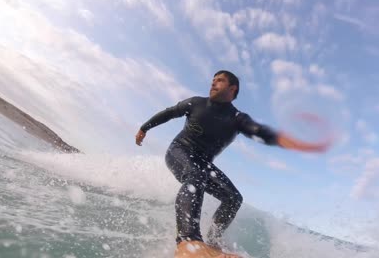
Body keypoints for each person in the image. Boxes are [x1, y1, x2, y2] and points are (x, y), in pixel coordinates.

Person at [135, 70, 331, 257]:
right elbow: (169, 113)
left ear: (232, 89)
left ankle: (212, 241)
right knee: (195, 175)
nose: (213, 82)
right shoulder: (196, 103)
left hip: (203, 163)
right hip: (179, 152)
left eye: (219, 80)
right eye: (213, 79)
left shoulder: (237, 119)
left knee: (233, 198)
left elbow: (258, 130)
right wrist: (144, 128)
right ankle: (188, 242)